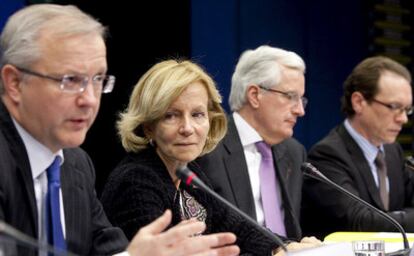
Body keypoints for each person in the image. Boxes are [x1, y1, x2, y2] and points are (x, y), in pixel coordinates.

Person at [0, 4, 239, 256]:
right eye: (70, 80)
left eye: (97, 80)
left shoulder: (75, 164)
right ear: (15, 83)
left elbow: (108, 249)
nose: (90, 100)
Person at [100, 59, 321, 255]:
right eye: (171, 116)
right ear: (148, 127)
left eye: (197, 115)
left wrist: (285, 247)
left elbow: (238, 228)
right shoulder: (136, 181)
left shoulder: (190, 173)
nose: (187, 128)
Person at [197, 45, 307, 240]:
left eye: (301, 100)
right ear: (255, 95)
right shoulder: (208, 149)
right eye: (290, 97)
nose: (300, 110)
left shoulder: (294, 152)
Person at [301, 56, 414, 239]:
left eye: (407, 109)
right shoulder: (327, 155)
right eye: (394, 107)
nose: (403, 119)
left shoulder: (393, 152)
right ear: (359, 102)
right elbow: (359, 221)